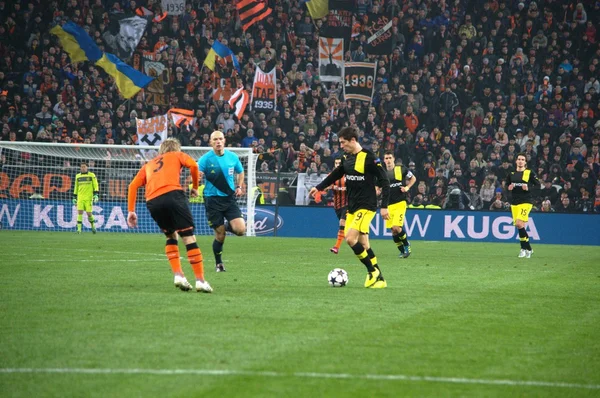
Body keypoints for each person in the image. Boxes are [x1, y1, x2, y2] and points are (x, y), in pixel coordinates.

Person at [127, 138, 212, 293]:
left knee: (170, 235)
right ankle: (200, 280)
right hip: (173, 195)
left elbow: (133, 185)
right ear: (176, 149)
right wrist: (195, 187)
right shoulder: (177, 155)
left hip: (152, 201)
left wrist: (131, 210)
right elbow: (194, 165)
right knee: (187, 236)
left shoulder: (149, 164)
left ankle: (178, 275)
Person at [310, 127, 390, 289]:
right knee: (364, 245)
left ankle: (372, 271)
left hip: (366, 206)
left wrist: (384, 206)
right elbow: (336, 175)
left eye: (343, 142)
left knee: (350, 239)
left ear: (353, 140)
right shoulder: (346, 157)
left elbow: (384, 182)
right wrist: (319, 187)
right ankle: (380, 279)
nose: (341, 146)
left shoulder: (370, 158)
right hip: (352, 206)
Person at [198, 130, 246, 273]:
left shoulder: (232, 157)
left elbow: (241, 172)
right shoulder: (205, 159)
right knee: (220, 235)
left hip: (229, 199)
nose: (218, 142)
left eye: (220, 139)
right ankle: (219, 264)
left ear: (224, 140)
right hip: (212, 200)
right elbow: (197, 174)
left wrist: (239, 186)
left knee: (240, 230)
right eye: (215, 140)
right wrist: (196, 178)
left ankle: (224, 225)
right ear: (211, 142)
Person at [506, 152, 541, 258]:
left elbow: (538, 186)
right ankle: (528, 249)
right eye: (519, 159)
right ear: (516, 161)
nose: (520, 161)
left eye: (522, 159)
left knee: (518, 223)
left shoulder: (529, 173)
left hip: (526, 201)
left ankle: (523, 249)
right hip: (515, 202)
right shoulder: (511, 174)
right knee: (520, 226)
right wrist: (509, 188)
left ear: (525, 162)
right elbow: (506, 186)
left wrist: (528, 188)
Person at [383, 152, 417, 258]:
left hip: (400, 202)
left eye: (390, 158)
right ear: (384, 160)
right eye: (386, 158)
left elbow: (413, 178)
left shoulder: (401, 169)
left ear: (393, 159)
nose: (388, 160)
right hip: (388, 205)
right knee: (393, 231)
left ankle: (407, 245)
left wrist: (407, 188)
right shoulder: (382, 172)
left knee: (396, 227)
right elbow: (378, 186)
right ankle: (402, 251)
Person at [324, 157, 348, 254]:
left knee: (342, 223)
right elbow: (325, 188)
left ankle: (336, 247)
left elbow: (351, 189)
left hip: (348, 204)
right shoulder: (331, 176)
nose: (338, 165)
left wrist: (334, 187)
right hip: (337, 205)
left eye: (339, 163)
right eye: (336, 163)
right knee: (347, 229)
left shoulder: (348, 176)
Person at [73, 162, 99, 234]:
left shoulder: (91, 175)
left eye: (84, 167)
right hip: (80, 197)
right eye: (82, 167)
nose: (83, 168)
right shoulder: (77, 176)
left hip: (89, 197)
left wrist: (96, 195)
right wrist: (74, 197)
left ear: (87, 167)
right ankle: (79, 230)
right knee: (79, 212)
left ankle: (93, 226)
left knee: (89, 213)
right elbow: (76, 187)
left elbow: (95, 185)